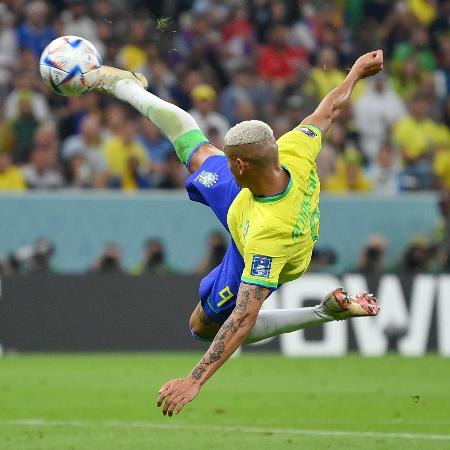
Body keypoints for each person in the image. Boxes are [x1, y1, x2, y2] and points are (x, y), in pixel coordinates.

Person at [92, 49, 383, 416]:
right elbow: (329, 110)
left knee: (202, 326)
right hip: (250, 199)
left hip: (262, 240)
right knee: (194, 147)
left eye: (229, 159)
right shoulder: (294, 149)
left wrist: (194, 378)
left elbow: (244, 319)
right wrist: (355, 72)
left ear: (240, 164)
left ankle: (322, 312)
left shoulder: (268, 239)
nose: (224, 162)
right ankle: (127, 87)